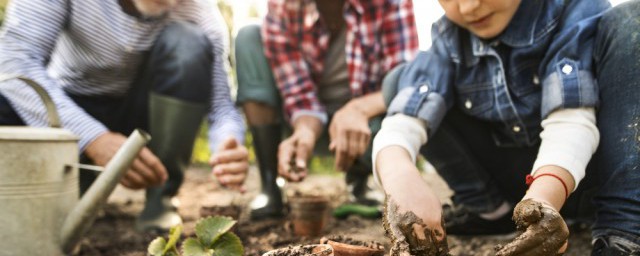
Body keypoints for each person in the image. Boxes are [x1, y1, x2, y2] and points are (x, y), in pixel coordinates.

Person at [373, 0, 640, 255]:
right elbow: (403, 121)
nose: (468, 7)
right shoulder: (448, 36)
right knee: (400, 81)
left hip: (589, 175)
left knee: (632, 20)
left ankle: (624, 229)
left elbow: (570, 120)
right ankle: (491, 212)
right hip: (518, 186)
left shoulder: (574, 9)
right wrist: (401, 177)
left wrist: (544, 198)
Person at [0, 0, 249, 232]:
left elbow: (221, 107)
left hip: (143, 117)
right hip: (70, 109)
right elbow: (14, 61)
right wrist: (92, 138)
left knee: (188, 43)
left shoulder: (201, 12)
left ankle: (161, 196)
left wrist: (228, 143)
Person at [234, 0, 419, 220]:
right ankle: (270, 183)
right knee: (249, 36)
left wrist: (358, 110)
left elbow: (404, 83)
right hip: (303, 124)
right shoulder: (282, 5)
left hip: (367, 126)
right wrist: (305, 131)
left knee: (399, 114)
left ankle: (359, 179)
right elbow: (298, 94)